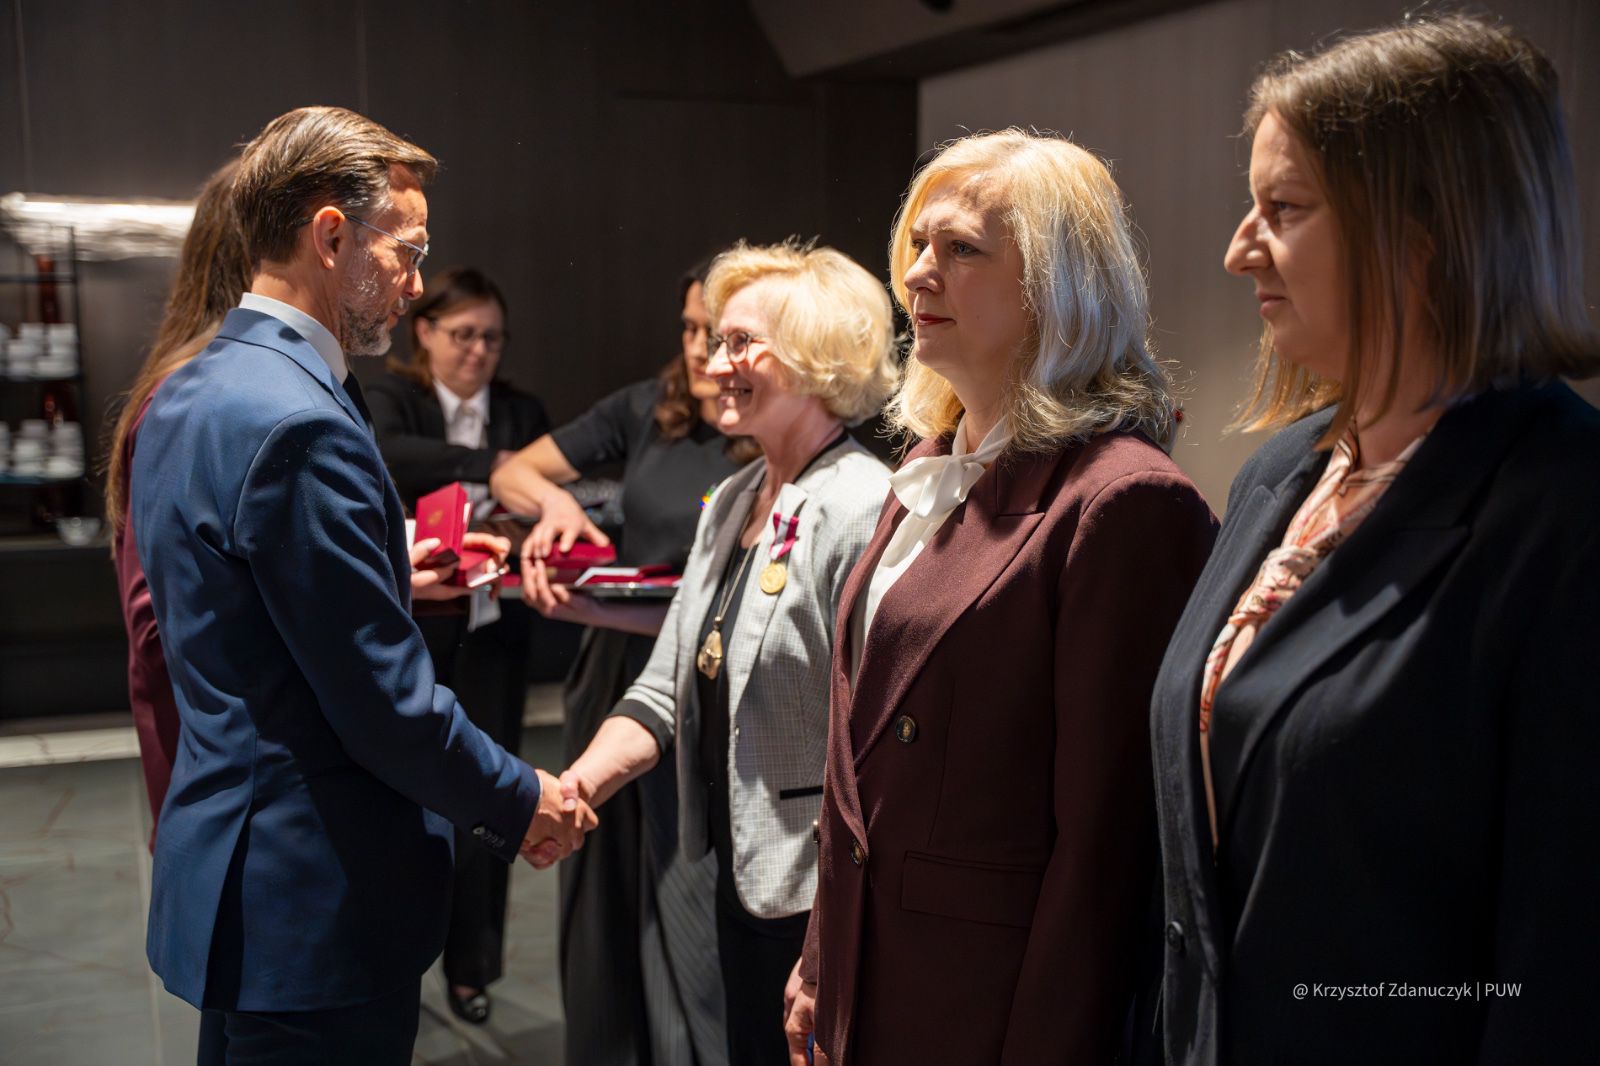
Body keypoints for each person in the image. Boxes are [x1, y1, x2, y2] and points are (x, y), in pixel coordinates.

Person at [1149, 15, 1600, 1064]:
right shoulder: (1278, 474)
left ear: (1425, 226)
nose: (1237, 248)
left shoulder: (1565, 509)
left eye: (1283, 209)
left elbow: (1563, 956)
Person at [129, 106, 595, 1064]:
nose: (416, 285)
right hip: (312, 900)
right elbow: (383, 706)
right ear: (331, 236)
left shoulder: (193, 386)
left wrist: (383, 578)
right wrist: (520, 797)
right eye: (407, 252)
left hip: (240, 879)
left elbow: (240, 607)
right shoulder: (301, 420)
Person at [786, 130, 1217, 1066]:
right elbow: (859, 771)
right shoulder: (929, 466)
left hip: (983, 1007)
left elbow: (1108, 850)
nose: (917, 274)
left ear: (1059, 288)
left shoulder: (1124, 500)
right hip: (875, 970)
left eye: (962, 248)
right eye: (917, 244)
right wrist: (823, 957)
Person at [557, 239, 897, 1064]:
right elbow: (665, 688)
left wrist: (830, 934)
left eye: (742, 343)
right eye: (717, 342)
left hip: (818, 900)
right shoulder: (737, 498)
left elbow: (878, 750)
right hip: (742, 879)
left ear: (816, 354)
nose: (714, 365)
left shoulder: (863, 506)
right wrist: (574, 789)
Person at [107, 161, 491, 845]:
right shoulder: (217, 397)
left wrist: (376, 563)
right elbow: (164, 619)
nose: (413, 285)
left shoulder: (217, 389)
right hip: (252, 792)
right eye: (406, 253)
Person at [488, 260, 759, 1066]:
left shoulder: (768, 425)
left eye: (720, 333)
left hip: (712, 678)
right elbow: (513, 471)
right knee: (603, 884)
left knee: (690, 893)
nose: (701, 349)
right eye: (690, 329)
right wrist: (558, 504)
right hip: (617, 670)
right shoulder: (649, 405)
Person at [364, 266, 553, 1024]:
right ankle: (396, 963)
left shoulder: (522, 409)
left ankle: (473, 968)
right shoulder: (391, 399)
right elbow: (391, 454)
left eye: (492, 338)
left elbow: (546, 497)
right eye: (464, 334)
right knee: (405, 805)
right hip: (414, 637)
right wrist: (494, 468)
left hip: (494, 634)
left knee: (491, 801)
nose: (478, 351)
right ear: (425, 332)